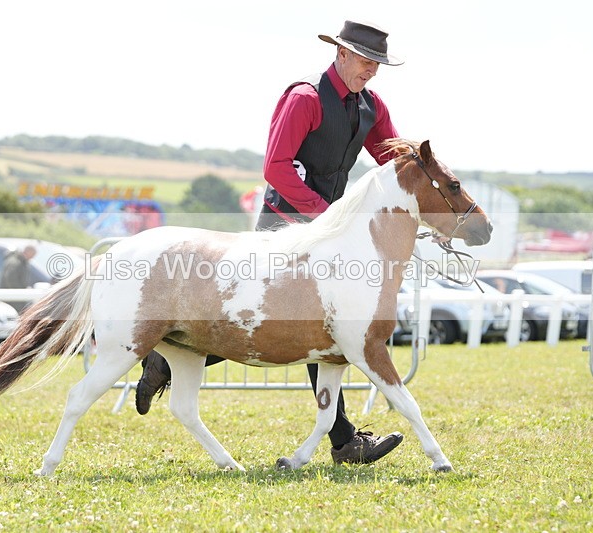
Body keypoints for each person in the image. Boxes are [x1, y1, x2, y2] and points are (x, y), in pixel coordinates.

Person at [136, 20, 406, 464]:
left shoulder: (370, 106)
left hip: (330, 231)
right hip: (285, 223)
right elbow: (276, 167)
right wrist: (324, 213)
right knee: (274, 326)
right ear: (340, 53)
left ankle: (169, 360)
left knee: (316, 328)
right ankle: (344, 441)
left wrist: (427, 173)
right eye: (365, 60)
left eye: (377, 63)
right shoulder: (304, 98)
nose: (371, 70)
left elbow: (389, 156)